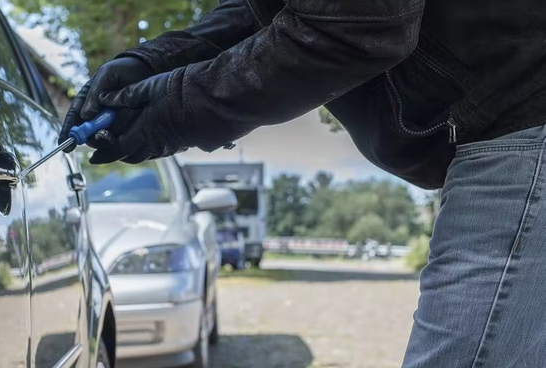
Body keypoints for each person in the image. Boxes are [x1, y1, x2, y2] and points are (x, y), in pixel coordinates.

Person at [59, 0, 546, 366]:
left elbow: (359, 21)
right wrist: (156, 61)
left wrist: (177, 107)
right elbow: (280, 10)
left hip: (522, 115)